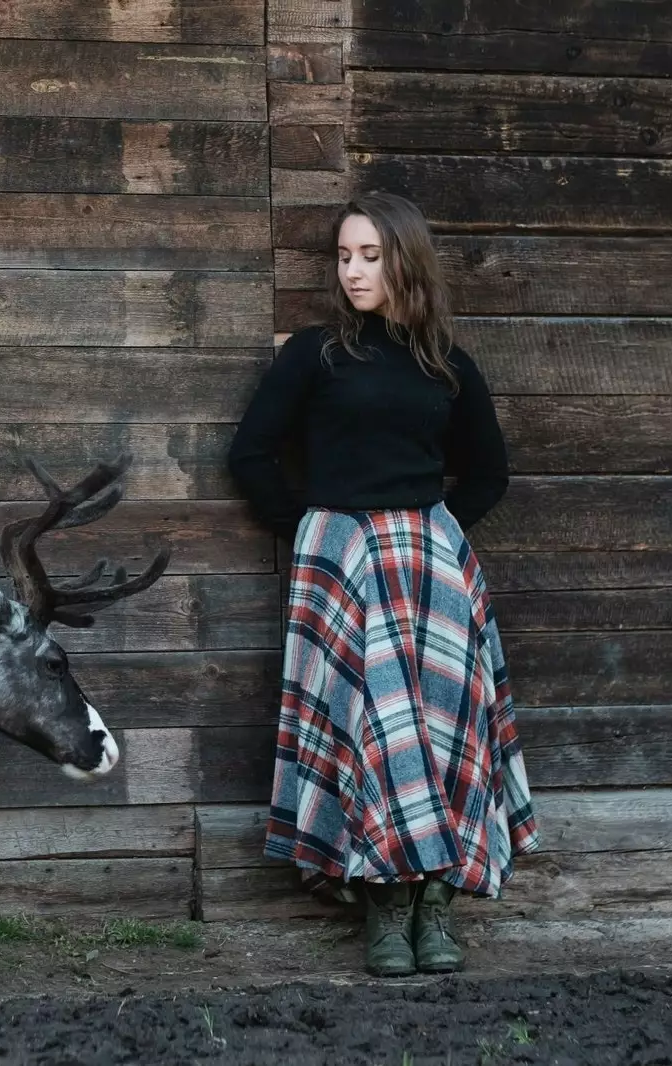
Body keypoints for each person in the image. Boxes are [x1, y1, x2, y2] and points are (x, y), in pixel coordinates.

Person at [226, 190, 541, 977]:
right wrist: (314, 532)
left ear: (405, 260)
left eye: (370, 255)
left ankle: (435, 904)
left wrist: (433, 533)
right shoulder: (315, 353)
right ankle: (382, 908)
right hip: (341, 563)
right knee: (365, 726)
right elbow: (251, 454)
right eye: (344, 256)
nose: (354, 270)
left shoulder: (447, 365)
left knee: (440, 728)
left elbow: (489, 473)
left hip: (430, 566)